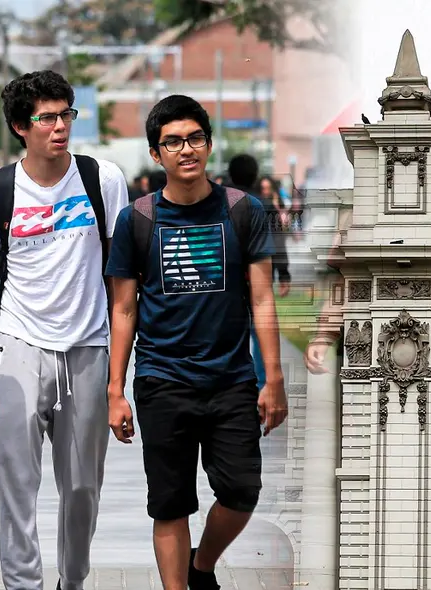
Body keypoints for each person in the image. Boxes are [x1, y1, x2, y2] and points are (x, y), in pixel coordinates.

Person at [105, 94, 288, 590]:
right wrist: (115, 390)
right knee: (170, 503)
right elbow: (123, 309)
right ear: (156, 152)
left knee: (242, 491)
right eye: (173, 142)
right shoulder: (136, 220)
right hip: (162, 380)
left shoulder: (243, 210)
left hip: (231, 379)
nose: (186, 149)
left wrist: (273, 377)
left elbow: (262, 299)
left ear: (208, 144)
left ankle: (201, 566)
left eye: (194, 138)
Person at [0, 70, 130, 590]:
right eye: (47, 118)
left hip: (88, 345)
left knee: (82, 487)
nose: (60, 127)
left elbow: (121, 282)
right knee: (17, 482)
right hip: (19, 342)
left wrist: (117, 380)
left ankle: (72, 580)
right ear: (21, 126)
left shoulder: (103, 179)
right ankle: (23, 584)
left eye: (66, 115)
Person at [226, 153, 291, 389]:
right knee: (260, 329)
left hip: (228, 279)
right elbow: (278, 242)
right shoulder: (264, 204)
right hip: (260, 277)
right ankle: (263, 385)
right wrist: (283, 273)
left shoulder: (220, 204)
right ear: (255, 176)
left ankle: (233, 382)